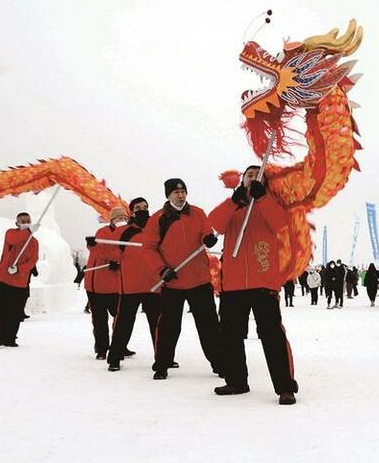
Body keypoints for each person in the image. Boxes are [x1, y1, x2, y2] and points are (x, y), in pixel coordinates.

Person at [209, 164, 298, 405]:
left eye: (258, 175)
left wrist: (263, 199)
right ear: (242, 180)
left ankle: (285, 386)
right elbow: (215, 224)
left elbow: (280, 224)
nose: (253, 178)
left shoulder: (270, 202)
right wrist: (233, 202)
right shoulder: (233, 205)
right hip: (234, 283)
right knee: (230, 335)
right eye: (249, 174)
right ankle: (237, 381)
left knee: (271, 335)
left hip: (263, 280)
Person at [141, 178, 223, 381]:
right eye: (176, 192)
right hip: (173, 281)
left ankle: (220, 363)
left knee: (209, 325)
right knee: (169, 326)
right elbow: (148, 248)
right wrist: (161, 270)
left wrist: (208, 237)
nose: (180, 195)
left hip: (199, 280)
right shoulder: (158, 218)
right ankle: (162, 364)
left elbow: (206, 230)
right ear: (168, 195)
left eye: (183, 191)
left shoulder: (197, 212)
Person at [106, 197, 162, 372]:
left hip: (153, 285)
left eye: (145, 207)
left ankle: (163, 357)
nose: (143, 210)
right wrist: (93, 246)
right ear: (131, 212)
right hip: (131, 286)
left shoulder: (156, 228)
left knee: (158, 324)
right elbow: (110, 250)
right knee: (124, 323)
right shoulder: (124, 232)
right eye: (138, 208)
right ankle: (114, 357)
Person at [84, 207, 126, 360]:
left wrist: (116, 259)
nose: (121, 221)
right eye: (118, 218)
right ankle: (102, 348)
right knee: (99, 320)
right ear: (112, 220)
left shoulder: (128, 234)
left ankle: (120, 346)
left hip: (115, 286)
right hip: (95, 285)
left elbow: (126, 253)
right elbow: (99, 249)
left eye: (124, 218)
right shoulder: (103, 233)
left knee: (120, 319)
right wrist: (114, 258)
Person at [0, 212, 39, 347]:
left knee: (15, 311)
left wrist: (20, 269)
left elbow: (33, 260)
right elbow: (13, 240)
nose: (25, 223)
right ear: (17, 223)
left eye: (27, 221)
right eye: (22, 221)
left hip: (20, 281)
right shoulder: (11, 233)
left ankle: (10, 337)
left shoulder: (34, 242)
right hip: (4, 278)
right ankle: (0, 336)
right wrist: (28, 231)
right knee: (2, 310)